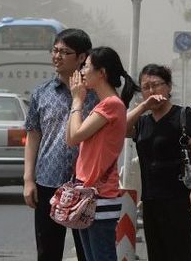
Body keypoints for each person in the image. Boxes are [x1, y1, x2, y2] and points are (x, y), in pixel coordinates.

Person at [24, 28, 96, 261]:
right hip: (48, 182)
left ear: (82, 57)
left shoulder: (95, 94)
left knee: (88, 252)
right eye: (55, 50)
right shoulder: (41, 93)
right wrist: (28, 180)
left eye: (64, 52)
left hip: (86, 185)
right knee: (47, 252)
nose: (57, 56)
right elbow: (33, 136)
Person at [125, 63, 191, 261]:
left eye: (156, 85)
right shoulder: (143, 121)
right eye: (146, 87)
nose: (152, 90)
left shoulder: (182, 115)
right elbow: (120, 128)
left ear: (169, 87)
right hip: (151, 200)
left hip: (177, 199)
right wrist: (144, 106)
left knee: (178, 252)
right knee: (156, 253)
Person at [66, 46, 140, 261]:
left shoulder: (111, 105)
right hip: (88, 193)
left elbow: (75, 135)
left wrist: (77, 101)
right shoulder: (105, 104)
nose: (82, 73)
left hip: (100, 195)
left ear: (102, 73)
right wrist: (77, 103)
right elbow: (71, 137)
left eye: (87, 67)